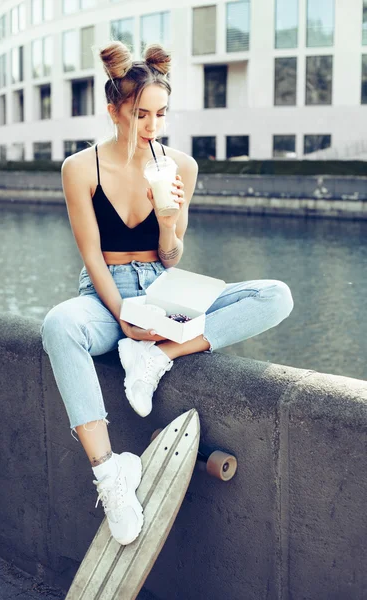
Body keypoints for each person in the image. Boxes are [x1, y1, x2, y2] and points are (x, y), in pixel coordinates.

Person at [40, 41, 294, 546]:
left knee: (275, 295)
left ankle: (158, 358)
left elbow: (173, 257)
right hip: (108, 294)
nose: (151, 127)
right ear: (113, 109)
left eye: (161, 114)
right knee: (59, 325)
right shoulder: (80, 169)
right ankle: (111, 474)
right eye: (140, 115)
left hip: (164, 286)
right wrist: (124, 316)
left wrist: (169, 222)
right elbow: (91, 256)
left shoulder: (181, 166)